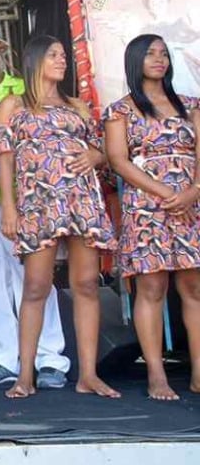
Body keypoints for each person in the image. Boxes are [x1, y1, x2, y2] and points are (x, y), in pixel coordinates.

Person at [0, 35, 119, 400]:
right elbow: (5, 158)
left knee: (84, 285)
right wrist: (9, 208)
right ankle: (25, 375)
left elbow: (104, 148)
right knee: (35, 286)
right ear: (35, 60)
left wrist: (96, 157)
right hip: (38, 203)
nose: (62, 60)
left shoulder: (77, 105)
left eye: (64, 55)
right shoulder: (13, 105)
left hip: (81, 199)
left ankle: (89, 375)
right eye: (54, 55)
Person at [0, 32, 69, 390]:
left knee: (35, 281)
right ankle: (5, 358)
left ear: (3, 55)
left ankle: (50, 359)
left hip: (26, 200)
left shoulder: (27, 89)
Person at [104, 34, 200, 401]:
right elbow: (118, 160)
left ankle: (197, 372)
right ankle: (156, 375)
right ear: (135, 61)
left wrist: (193, 191)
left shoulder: (191, 105)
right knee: (152, 288)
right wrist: (165, 193)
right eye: (150, 54)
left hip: (191, 204)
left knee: (193, 288)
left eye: (164, 53)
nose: (159, 59)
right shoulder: (121, 110)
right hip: (148, 207)